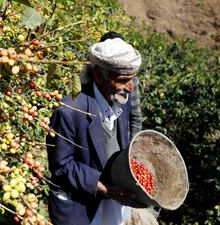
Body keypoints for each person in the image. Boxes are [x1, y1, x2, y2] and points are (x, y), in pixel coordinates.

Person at [46, 31, 145, 225]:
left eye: (132, 79)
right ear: (99, 76)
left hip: (113, 200)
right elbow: (61, 166)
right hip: (81, 208)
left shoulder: (120, 102)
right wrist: (104, 189)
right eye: (124, 80)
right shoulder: (70, 111)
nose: (131, 88)